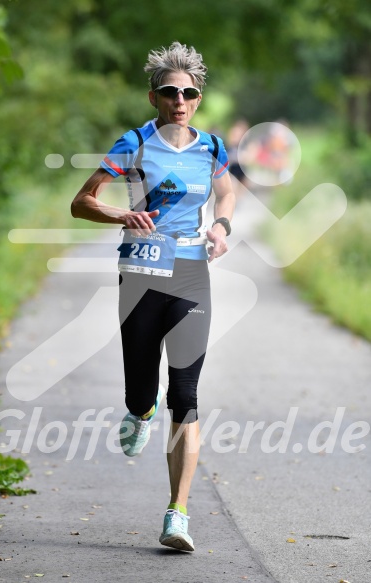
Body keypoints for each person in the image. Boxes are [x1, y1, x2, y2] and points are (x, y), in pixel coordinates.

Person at [71, 41, 235, 552]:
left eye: (188, 92)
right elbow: (82, 202)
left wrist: (222, 226)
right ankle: (140, 411)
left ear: (198, 98)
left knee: (185, 397)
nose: (179, 100)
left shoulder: (211, 147)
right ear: (154, 97)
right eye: (170, 92)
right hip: (141, 274)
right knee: (143, 393)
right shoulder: (135, 143)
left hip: (191, 276)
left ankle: (177, 514)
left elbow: (225, 190)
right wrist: (122, 215)